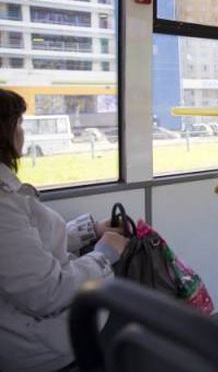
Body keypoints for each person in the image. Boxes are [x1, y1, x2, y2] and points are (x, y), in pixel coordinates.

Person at [0, 89, 129, 372]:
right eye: (19, 124)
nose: (23, 133)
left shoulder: (9, 196)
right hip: (43, 346)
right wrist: (103, 255)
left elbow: (31, 245)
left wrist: (91, 230)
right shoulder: (3, 205)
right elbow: (47, 291)